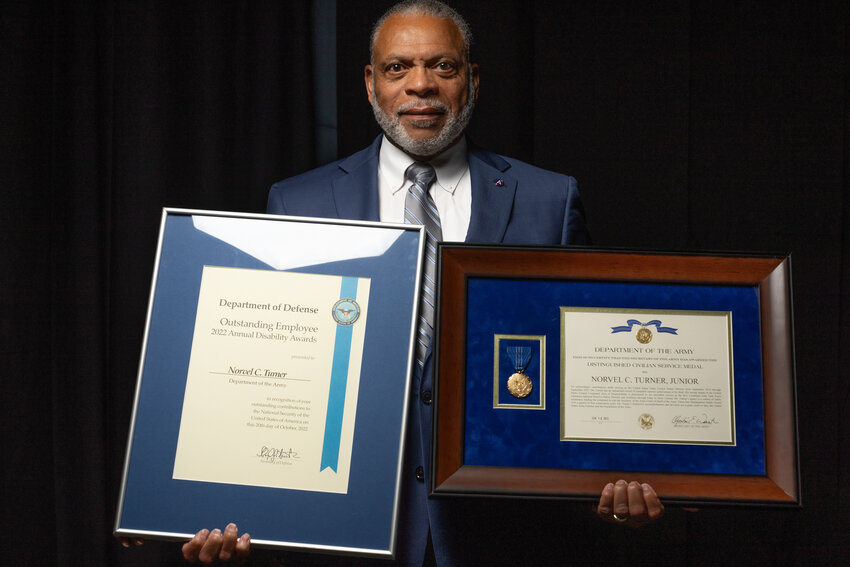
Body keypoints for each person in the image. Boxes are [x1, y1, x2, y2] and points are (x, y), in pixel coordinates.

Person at [124, 1, 664, 564]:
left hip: (503, 535)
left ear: (472, 79)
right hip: (351, 537)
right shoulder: (298, 201)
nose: (420, 85)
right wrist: (221, 503)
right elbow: (268, 368)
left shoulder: (549, 200)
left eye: (443, 67)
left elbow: (586, 360)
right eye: (397, 67)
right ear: (369, 82)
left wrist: (622, 473)